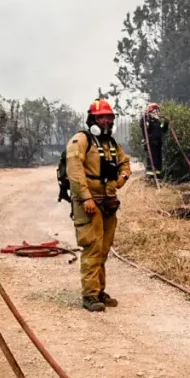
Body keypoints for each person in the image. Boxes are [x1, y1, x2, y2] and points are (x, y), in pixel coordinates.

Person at [66, 98, 132, 312]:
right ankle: (90, 295)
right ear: (92, 119)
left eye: (109, 117)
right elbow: (75, 172)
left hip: (108, 203)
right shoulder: (81, 140)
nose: (106, 121)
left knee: (103, 249)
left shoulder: (112, 144)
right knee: (92, 248)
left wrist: (121, 179)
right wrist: (86, 198)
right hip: (89, 204)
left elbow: (125, 163)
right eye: (102, 117)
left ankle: (99, 291)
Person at [139, 102, 168, 179]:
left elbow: (163, 130)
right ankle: (150, 176)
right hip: (151, 143)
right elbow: (143, 125)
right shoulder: (148, 121)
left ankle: (158, 175)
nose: (158, 113)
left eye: (158, 111)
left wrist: (166, 123)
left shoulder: (158, 122)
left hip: (158, 143)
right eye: (156, 112)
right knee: (152, 159)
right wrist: (144, 117)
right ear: (151, 112)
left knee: (158, 159)